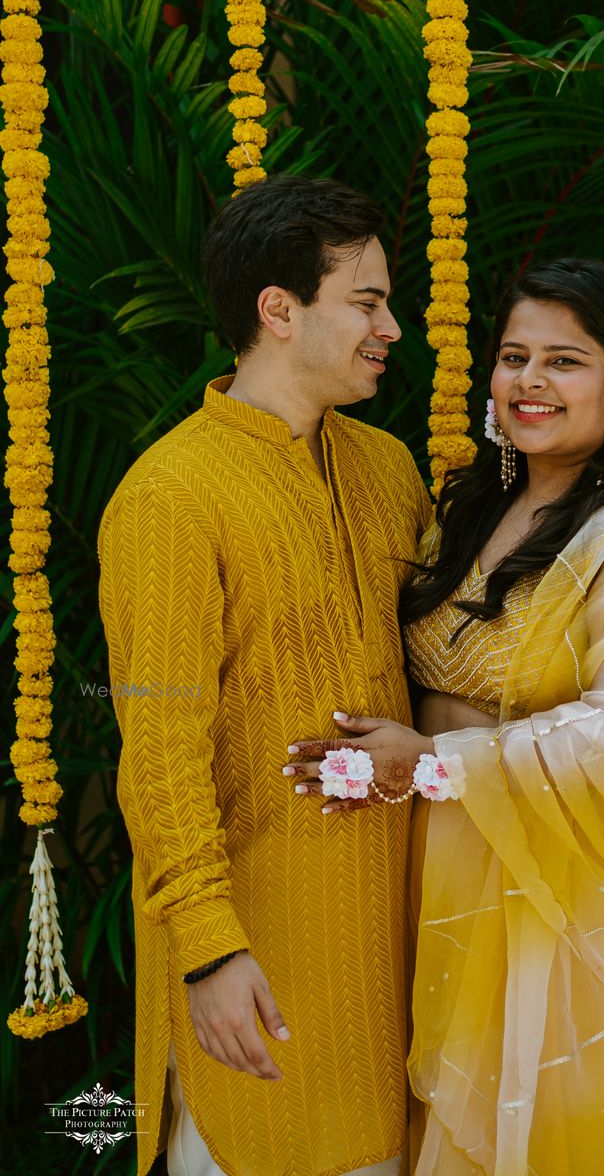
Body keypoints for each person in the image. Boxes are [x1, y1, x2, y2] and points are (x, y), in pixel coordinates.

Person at [291, 258, 604, 1174]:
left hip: (563, 911)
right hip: (441, 883)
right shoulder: (477, 506)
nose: (530, 383)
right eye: (514, 357)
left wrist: (430, 763)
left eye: (564, 361)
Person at [97, 174, 431, 1176]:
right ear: (276, 310)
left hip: (399, 953)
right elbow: (158, 751)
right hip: (261, 966)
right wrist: (208, 947)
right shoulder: (171, 496)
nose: (393, 329)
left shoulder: (386, 471)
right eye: (366, 302)